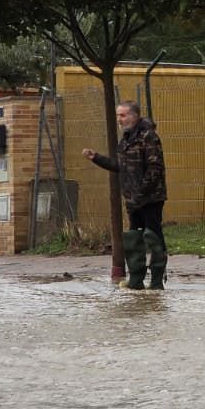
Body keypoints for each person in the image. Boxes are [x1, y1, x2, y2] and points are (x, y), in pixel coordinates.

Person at [82, 100, 168, 290]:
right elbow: (121, 167)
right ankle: (136, 279)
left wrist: (141, 193)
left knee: (153, 236)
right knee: (133, 238)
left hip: (151, 198)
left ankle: (156, 281)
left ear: (134, 116)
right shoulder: (127, 139)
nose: (119, 119)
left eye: (123, 115)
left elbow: (155, 168)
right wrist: (97, 158)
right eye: (118, 115)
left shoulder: (148, 136)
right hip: (132, 200)